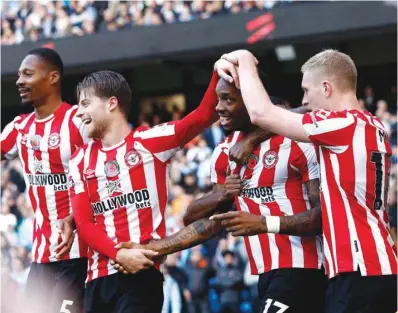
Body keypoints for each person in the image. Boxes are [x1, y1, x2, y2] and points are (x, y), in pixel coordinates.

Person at [217, 49, 397, 313]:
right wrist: (254, 139)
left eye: (306, 90)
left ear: (326, 88)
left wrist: (244, 59)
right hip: (380, 264)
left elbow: (261, 114)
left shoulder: (340, 124)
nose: (304, 100)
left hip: (357, 268)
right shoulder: (373, 125)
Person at [68, 69, 223, 313]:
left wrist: (218, 70)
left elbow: (204, 115)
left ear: (111, 103)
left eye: (85, 103)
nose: (79, 112)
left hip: (141, 275)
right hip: (97, 280)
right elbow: (84, 224)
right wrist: (118, 255)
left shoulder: (149, 142)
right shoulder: (79, 160)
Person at [184, 78, 325, 313]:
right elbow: (194, 219)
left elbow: (322, 217)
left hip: (303, 266)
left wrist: (252, 138)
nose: (219, 107)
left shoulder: (297, 142)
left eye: (228, 99)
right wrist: (222, 195)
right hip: (263, 272)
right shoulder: (222, 153)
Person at [0, 48, 88, 313]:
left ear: (53, 77)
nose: (19, 81)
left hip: (79, 254)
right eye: (18, 75)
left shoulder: (79, 121)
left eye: (28, 74)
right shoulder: (19, 127)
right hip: (41, 255)